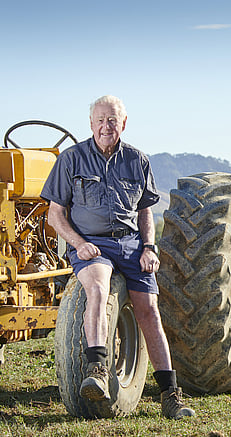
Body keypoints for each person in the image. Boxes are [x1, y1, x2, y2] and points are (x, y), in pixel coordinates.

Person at [41, 95, 195, 419]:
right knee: (97, 287)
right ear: (91, 124)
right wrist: (78, 243)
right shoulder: (71, 159)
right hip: (92, 244)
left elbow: (145, 212)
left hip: (130, 245)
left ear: (123, 123)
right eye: (99, 120)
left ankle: (170, 395)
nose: (105, 127)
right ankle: (97, 369)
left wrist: (149, 248)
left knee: (149, 311)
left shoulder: (137, 160)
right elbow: (55, 216)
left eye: (112, 120)